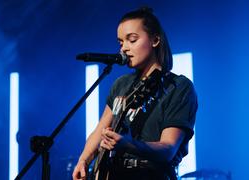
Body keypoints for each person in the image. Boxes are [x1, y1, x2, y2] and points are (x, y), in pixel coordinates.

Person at [73, 7, 198, 180]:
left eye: (132, 40)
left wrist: (128, 145)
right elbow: (100, 129)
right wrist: (84, 160)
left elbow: (168, 149)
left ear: (155, 40)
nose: (124, 48)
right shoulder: (121, 84)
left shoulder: (178, 87)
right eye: (120, 42)